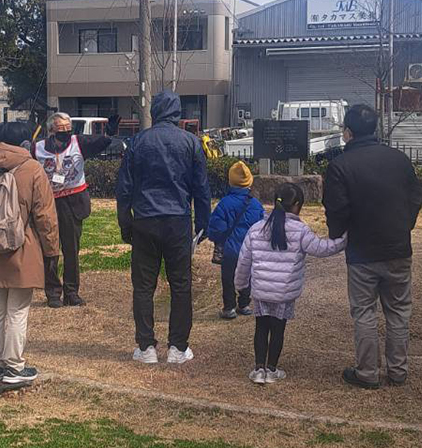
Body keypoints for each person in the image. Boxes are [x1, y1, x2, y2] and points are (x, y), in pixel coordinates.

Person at [323, 103, 422, 390]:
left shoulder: (340, 166)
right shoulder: (399, 159)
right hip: (398, 247)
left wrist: (336, 233)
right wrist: (405, 224)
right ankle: (398, 371)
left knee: (364, 312)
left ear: (348, 132)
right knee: (398, 311)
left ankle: (367, 372)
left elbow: (337, 210)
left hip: (362, 252)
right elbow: (416, 195)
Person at [116, 89, 211, 365]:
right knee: (181, 285)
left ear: (154, 112)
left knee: (144, 286)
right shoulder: (191, 143)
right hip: (177, 221)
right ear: (178, 113)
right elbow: (201, 189)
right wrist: (203, 225)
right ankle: (177, 348)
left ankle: (146, 347)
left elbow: (124, 190)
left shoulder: (137, 142)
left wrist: (126, 224)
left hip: (144, 220)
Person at [0, 120, 59, 386]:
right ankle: (14, 366)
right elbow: (45, 216)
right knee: (17, 310)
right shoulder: (32, 169)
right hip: (21, 246)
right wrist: (52, 251)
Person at [236, 182, 346, 385]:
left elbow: (244, 260)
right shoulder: (300, 230)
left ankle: (258, 369)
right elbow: (321, 248)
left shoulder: (257, 228)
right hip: (284, 292)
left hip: (261, 290)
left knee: (261, 327)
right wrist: (344, 240)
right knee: (278, 329)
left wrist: (240, 284)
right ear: (296, 205)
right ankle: (272, 369)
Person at [33, 111, 120, 308]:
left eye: (67, 128)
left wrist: (110, 132)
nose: (65, 132)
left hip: (73, 202)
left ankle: (71, 292)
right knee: (50, 249)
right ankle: (53, 293)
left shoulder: (78, 142)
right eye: (60, 128)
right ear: (50, 130)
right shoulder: (37, 148)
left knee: (71, 250)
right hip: (48, 203)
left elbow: (102, 142)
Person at [206, 160, 266, 319]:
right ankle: (244, 304)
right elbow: (262, 228)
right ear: (250, 182)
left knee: (228, 278)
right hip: (250, 249)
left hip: (230, 250)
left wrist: (216, 238)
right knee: (247, 276)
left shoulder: (224, 204)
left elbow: (215, 229)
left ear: (230, 181)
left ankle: (229, 307)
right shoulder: (256, 205)